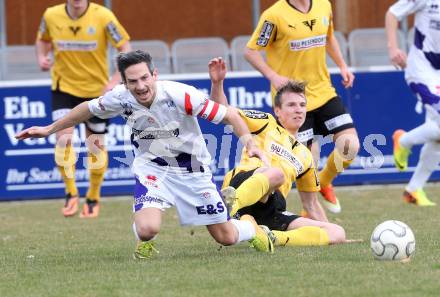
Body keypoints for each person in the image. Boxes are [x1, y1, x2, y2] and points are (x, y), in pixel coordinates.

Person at [16, 50, 275, 258]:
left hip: (192, 168)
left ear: (154, 75)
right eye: (132, 81)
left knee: (226, 237)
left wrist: (249, 143)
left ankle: (252, 227)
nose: (140, 86)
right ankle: (144, 241)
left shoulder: (181, 95)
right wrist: (50, 129)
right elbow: (87, 108)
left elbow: (228, 114)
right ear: (124, 82)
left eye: (144, 78)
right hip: (152, 167)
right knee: (148, 229)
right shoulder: (120, 97)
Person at [209, 57, 348, 247]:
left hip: (271, 207)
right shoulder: (266, 122)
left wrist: (329, 231)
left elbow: (311, 204)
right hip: (243, 183)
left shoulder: (305, 155)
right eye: (291, 105)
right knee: (276, 173)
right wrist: (217, 83)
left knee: (336, 232)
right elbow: (225, 112)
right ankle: (230, 204)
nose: (298, 110)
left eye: (302, 105)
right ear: (278, 110)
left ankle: (271, 237)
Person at [244, 0, 359, 214]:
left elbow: (329, 37)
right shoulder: (274, 15)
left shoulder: (324, 5)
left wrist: (342, 65)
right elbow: (250, 51)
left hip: (324, 91)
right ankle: (311, 212)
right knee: (308, 161)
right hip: (292, 99)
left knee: (350, 145)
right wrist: (273, 76)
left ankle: (324, 181)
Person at [36, 0, 131, 218]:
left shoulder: (104, 16)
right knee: (63, 139)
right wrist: (41, 57)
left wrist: (116, 79)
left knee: (95, 145)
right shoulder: (50, 15)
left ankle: (93, 196)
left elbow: (125, 47)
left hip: (96, 91)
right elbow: (42, 40)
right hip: (63, 88)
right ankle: (71, 192)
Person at [386, 0, 439, 206]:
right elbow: (392, 14)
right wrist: (393, 49)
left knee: (438, 137)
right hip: (422, 69)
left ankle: (413, 190)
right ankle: (404, 141)